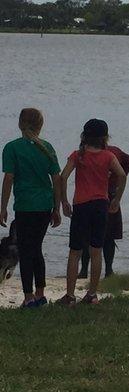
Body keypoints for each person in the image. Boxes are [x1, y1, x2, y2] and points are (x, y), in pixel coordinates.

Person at [57, 119, 127, 306]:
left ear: (84, 136)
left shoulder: (78, 155)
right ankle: (92, 294)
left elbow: (63, 176)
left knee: (75, 251)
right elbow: (122, 175)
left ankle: (70, 296)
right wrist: (117, 199)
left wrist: (64, 201)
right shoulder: (108, 156)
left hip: (81, 206)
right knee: (97, 251)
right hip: (100, 206)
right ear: (105, 137)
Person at [1, 108, 62, 308]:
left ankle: (28, 297)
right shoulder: (47, 148)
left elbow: (8, 179)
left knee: (26, 250)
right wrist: (57, 207)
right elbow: (56, 179)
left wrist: (3, 207)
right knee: (36, 248)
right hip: (44, 205)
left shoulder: (12, 148)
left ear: (20, 124)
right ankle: (40, 293)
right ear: (40, 125)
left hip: (25, 206)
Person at [79, 145, 129, 279]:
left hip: (93, 195)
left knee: (88, 235)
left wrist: (118, 175)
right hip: (110, 194)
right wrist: (118, 175)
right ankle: (108, 270)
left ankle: (85, 270)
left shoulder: (89, 152)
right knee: (108, 236)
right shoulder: (114, 151)